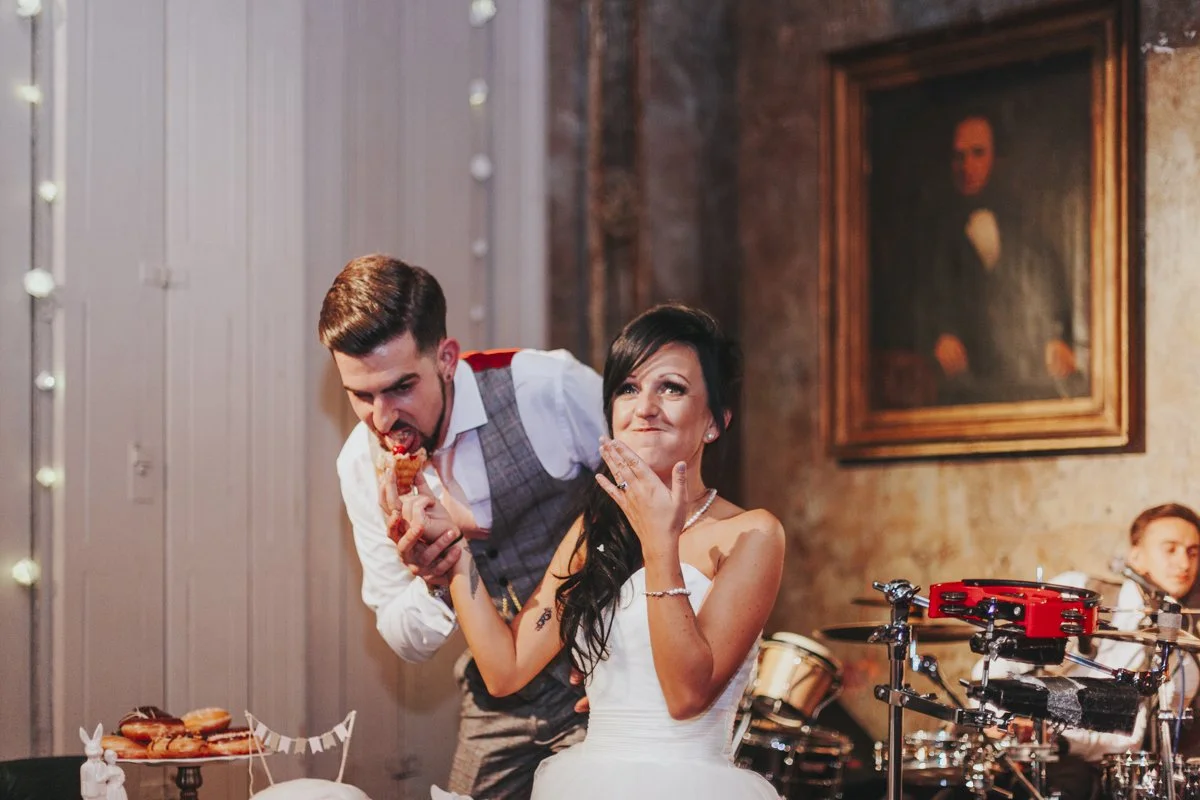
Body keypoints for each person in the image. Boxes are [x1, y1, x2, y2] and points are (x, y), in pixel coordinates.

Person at [396, 304, 786, 799]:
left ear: (714, 421)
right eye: (627, 388)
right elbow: (506, 668)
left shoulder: (752, 535)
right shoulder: (595, 530)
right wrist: (452, 547)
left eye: (671, 387)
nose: (644, 406)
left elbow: (687, 694)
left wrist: (659, 543)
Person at [318, 254, 608, 799]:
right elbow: (402, 638)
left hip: (605, 680)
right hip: (496, 700)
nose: (382, 419)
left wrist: (634, 661)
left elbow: (656, 494)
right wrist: (434, 581)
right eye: (360, 395)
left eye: (401, 386)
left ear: (447, 358)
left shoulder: (546, 388)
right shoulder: (360, 465)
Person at [961, 503, 1200, 800]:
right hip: (1001, 745)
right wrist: (998, 721)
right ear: (1136, 555)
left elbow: (1129, 739)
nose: (1184, 563)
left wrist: (1054, 737)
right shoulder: (1078, 590)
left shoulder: (1182, 657)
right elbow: (996, 666)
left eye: (1193, 552)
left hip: (1079, 767)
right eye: (1171, 549)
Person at [918, 113, 1080, 405]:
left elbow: (1050, 287)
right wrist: (937, 337)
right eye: (959, 157)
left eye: (978, 154)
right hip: (958, 384)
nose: (967, 167)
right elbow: (917, 302)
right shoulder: (930, 232)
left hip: (1023, 377)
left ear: (997, 159)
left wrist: (1056, 339)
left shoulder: (1023, 226)